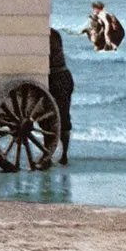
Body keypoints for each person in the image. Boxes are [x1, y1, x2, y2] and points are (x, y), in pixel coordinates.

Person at [47, 28, 74, 167]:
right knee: (49, 118)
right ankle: (51, 154)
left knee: (62, 117)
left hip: (59, 77)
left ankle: (64, 155)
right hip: (56, 76)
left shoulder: (52, 35)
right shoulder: (53, 33)